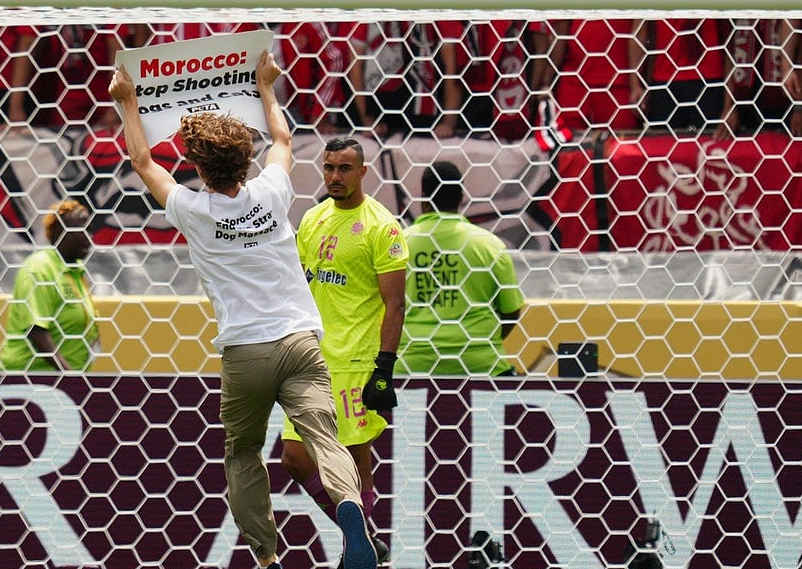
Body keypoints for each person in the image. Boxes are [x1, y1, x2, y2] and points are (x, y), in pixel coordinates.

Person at [108, 50, 378, 569]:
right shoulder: (272, 192)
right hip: (300, 342)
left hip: (246, 351)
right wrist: (266, 86)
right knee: (325, 436)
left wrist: (127, 102)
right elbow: (282, 140)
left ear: (198, 166)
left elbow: (142, 162)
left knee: (244, 453)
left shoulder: (192, 209)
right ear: (244, 159)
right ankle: (350, 510)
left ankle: (266, 555)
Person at [284, 136, 409, 567]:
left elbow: (395, 303)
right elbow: (300, 286)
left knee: (355, 461)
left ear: (363, 172)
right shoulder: (313, 219)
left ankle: (359, 550)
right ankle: (364, 539)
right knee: (294, 458)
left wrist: (384, 368)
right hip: (309, 359)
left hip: (355, 361)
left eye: (344, 168)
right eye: (329, 167)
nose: (335, 176)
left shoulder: (382, 226)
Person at [398, 160, 525, 377]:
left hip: (411, 365)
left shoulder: (400, 245)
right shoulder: (490, 245)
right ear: (461, 198)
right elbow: (511, 310)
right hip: (481, 365)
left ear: (424, 200)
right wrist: (476, 342)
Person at [0, 199, 99, 373]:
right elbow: (36, 331)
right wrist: (70, 377)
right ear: (59, 231)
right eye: (81, 229)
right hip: (31, 379)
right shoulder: (39, 269)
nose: (89, 237)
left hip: (63, 379)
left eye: (90, 230)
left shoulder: (76, 271)